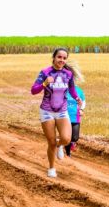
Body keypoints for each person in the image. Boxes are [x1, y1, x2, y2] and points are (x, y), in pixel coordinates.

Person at [31, 48, 83, 178]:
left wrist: (77, 98)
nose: (62, 60)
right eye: (59, 57)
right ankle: (51, 168)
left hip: (62, 111)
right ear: (54, 58)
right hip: (47, 111)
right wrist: (44, 83)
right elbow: (33, 91)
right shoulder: (45, 72)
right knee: (51, 142)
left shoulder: (68, 74)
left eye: (64, 58)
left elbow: (71, 89)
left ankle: (60, 146)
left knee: (66, 138)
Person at [65, 85, 86, 157]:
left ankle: (69, 144)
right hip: (64, 117)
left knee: (75, 137)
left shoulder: (79, 90)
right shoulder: (62, 90)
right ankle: (68, 153)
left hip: (75, 116)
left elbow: (83, 101)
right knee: (67, 136)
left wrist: (81, 110)